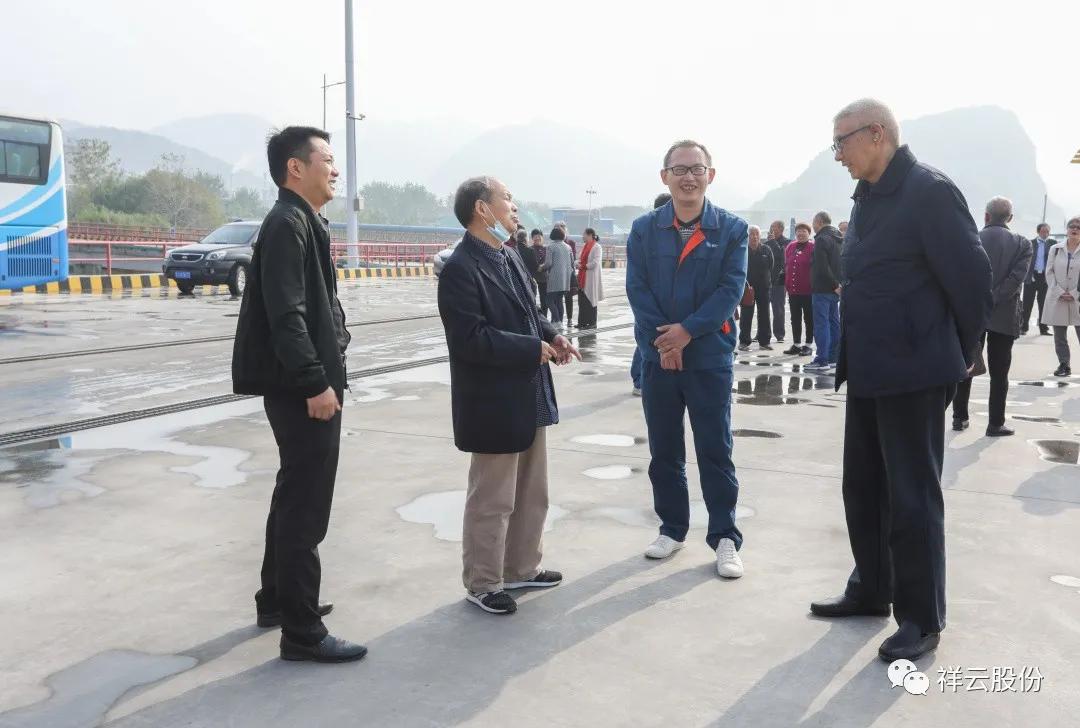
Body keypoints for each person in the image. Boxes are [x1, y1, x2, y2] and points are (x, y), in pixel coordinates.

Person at [810, 99, 992, 662]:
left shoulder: (928, 191)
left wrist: (958, 355)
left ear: (878, 134)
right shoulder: (867, 196)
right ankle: (872, 588)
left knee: (913, 497)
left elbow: (973, 278)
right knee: (862, 486)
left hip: (914, 372)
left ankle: (921, 618)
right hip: (866, 367)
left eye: (841, 142)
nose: (836, 154)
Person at [232, 126, 366, 663]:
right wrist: (315, 382)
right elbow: (287, 315)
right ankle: (302, 632)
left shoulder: (300, 221)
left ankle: (278, 600)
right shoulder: (288, 223)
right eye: (327, 160)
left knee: (292, 494)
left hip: (302, 384)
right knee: (306, 507)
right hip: (302, 388)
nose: (335, 170)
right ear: (296, 168)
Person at [437, 176, 581, 615]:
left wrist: (553, 336)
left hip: (527, 391)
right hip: (493, 399)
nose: (514, 208)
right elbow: (470, 339)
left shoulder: (509, 256)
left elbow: (531, 313)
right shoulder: (461, 268)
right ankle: (482, 582)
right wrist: (529, 348)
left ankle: (522, 567)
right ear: (483, 210)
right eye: (508, 200)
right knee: (492, 498)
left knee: (532, 492)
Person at [626, 139, 748, 579]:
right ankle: (672, 528)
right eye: (679, 169)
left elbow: (729, 291)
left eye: (696, 169)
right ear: (665, 177)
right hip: (659, 359)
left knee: (715, 449)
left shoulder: (731, 230)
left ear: (710, 175)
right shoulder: (643, 230)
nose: (688, 176)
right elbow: (637, 290)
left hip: (709, 359)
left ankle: (725, 537)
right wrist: (666, 344)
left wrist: (686, 333)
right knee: (664, 450)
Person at [951, 197, 1033, 434]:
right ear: (1010, 218)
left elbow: (961, 277)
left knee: (967, 366)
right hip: (1004, 316)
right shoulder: (1023, 244)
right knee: (1000, 373)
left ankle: (959, 418)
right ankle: (995, 423)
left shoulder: (970, 239)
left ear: (986, 216)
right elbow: (1016, 281)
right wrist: (994, 297)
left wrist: (980, 300)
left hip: (972, 313)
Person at [631, 193, 673, 395]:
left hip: (654, 313)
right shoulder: (644, 231)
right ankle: (639, 380)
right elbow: (636, 284)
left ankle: (638, 380)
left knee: (644, 344)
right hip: (653, 313)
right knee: (647, 344)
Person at [1041, 216, 1080, 376]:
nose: (1075, 229)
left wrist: (1074, 293)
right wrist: (1058, 291)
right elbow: (1049, 272)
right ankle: (1064, 365)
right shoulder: (1055, 249)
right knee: (1060, 336)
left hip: (1078, 298)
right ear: (1067, 229)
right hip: (1058, 298)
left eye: (1078, 227)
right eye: (1072, 226)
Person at [806, 211, 843, 372]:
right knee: (834, 323)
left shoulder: (821, 239)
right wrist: (838, 285)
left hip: (823, 288)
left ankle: (822, 360)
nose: (813, 227)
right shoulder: (839, 238)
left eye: (814, 223)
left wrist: (833, 284)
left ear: (819, 222)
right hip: (836, 289)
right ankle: (833, 357)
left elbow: (822, 266)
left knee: (822, 324)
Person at [738, 225, 774, 351]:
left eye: (756, 234)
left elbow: (771, 266)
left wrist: (768, 282)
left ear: (760, 236)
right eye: (751, 234)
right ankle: (744, 341)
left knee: (764, 314)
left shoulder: (766, 249)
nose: (754, 236)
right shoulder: (743, 250)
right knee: (746, 315)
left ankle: (764, 342)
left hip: (764, 288)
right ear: (747, 236)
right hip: (747, 288)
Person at [783, 223, 815, 356]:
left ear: (809, 233)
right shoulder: (791, 246)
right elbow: (787, 266)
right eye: (798, 231)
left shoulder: (813, 247)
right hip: (793, 290)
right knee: (795, 318)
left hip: (808, 290)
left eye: (804, 231)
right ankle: (796, 344)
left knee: (809, 318)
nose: (801, 233)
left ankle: (808, 345)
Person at [1021, 223, 1055, 335]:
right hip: (1031, 277)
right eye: (1043, 231)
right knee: (1027, 303)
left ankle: (1043, 328)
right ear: (1038, 231)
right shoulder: (1030, 243)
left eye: (1047, 231)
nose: (1045, 234)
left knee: (1044, 304)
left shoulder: (1053, 244)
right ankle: (1023, 327)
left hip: (1045, 278)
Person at [764, 221, 789, 343]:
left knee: (778, 309)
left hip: (779, 281)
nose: (771, 229)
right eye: (771, 227)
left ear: (781, 229)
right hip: (765, 281)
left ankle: (779, 334)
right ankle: (762, 333)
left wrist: (772, 242)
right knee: (763, 309)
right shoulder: (767, 242)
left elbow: (781, 257)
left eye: (773, 227)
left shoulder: (787, 242)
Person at [545, 226, 574, 328]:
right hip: (566, 279)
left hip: (554, 277)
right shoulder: (568, 247)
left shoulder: (550, 247)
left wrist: (541, 267)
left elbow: (548, 263)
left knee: (549, 300)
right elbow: (572, 263)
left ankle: (556, 321)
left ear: (552, 235)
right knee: (559, 300)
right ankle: (559, 322)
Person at [577, 228, 604, 329]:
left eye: (584, 234)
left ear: (590, 235)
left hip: (591, 277)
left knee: (591, 300)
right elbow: (579, 259)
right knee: (582, 301)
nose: (582, 236)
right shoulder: (585, 246)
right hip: (582, 277)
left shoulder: (597, 247)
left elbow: (595, 263)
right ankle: (582, 322)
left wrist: (583, 266)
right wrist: (577, 264)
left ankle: (592, 323)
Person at [554, 221, 578, 326]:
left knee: (568, 297)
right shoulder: (552, 243)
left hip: (568, 273)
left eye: (560, 228)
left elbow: (573, 259)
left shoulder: (570, 243)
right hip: (556, 274)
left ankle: (569, 319)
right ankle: (558, 319)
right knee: (557, 298)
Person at [527, 229, 550, 316]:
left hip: (544, 278)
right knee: (532, 298)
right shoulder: (529, 249)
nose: (537, 238)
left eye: (539, 236)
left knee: (544, 300)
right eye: (535, 236)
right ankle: (534, 316)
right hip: (532, 278)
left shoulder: (547, 249)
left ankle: (544, 316)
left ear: (542, 237)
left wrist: (542, 267)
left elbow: (549, 262)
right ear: (532, 238)